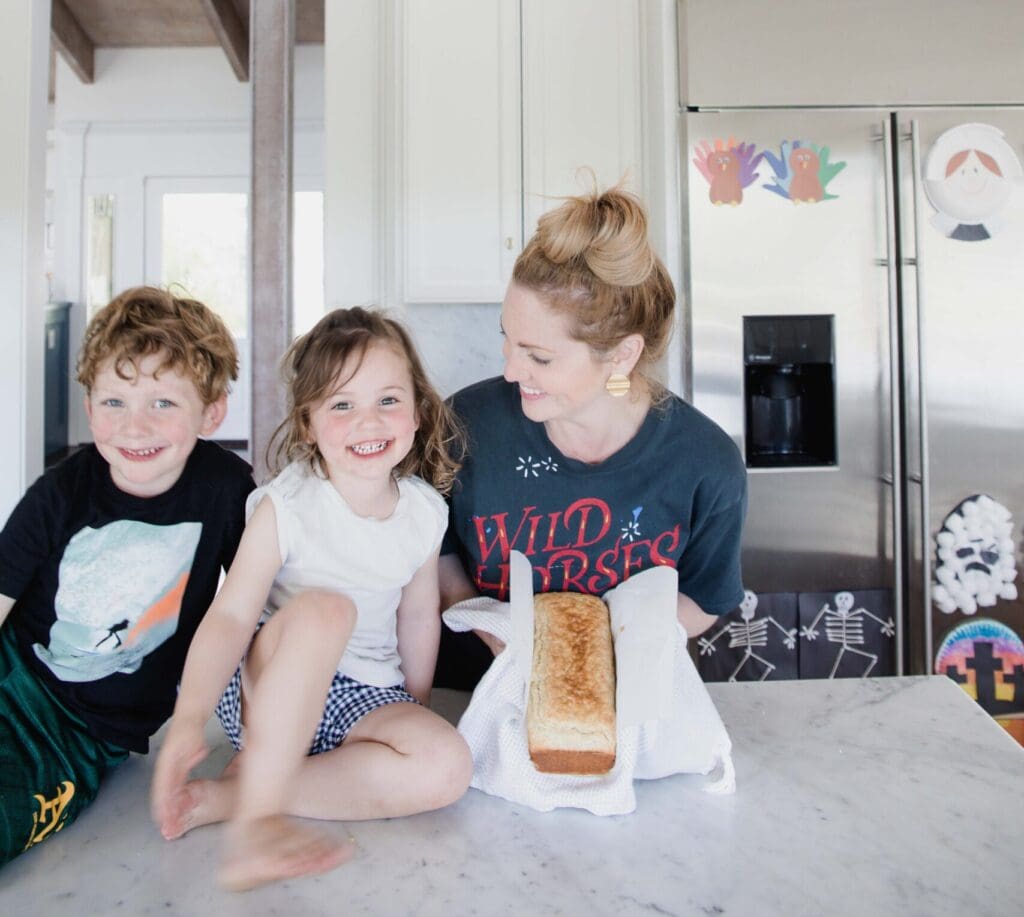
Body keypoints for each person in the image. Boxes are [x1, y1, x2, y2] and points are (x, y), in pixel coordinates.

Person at [151, 307, 473, 892]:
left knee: (448, 767)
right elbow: (230, 616)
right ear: (307, 425)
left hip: (362, 694)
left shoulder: (425, 510)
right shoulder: (288, 505)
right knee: (329, 611)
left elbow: (418, 613)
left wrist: (413, 706)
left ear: (420, 412)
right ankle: (257, 824)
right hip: (266, 683)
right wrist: (190, 719)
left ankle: (241, 792)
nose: (367, 422)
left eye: (388, 401)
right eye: (341, 405)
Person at [435, 184, 748, 689]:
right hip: (472, 697)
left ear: (622, 355)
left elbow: (703, 596)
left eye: (539, 357)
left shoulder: (705, 463)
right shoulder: (465, 427)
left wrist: (599, 657)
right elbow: (439, 551)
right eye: (507, 340)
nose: (511, 371)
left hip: (626, 707)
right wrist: (483, 624)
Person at [0, 286, 254, 867]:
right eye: (114, 403)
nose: (135, 427)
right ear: (90, 408)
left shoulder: (226, 489)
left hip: (83, 735)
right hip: (14, 675)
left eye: (163, 403)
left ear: (212, 411)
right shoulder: (60, 492)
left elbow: (258, 609)